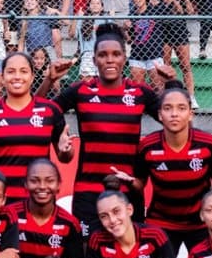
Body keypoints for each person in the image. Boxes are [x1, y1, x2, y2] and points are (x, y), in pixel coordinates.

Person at [39, 23, 163, 233]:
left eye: (116, 54)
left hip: (127, 190)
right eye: (103, 55)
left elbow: (176, 119)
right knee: (88, 257)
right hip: (88, 192)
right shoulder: (81, 90)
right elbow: (35, 113)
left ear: (124, 57)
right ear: (95, 59)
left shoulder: (140, 92)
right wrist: (49, 80)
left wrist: (172, 84)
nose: (110, 60)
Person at [132, 81, 212, 256]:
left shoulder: (208, 144)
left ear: (190, 114)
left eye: (181, 108)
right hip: (161, 222)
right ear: (159, 114)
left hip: (200, 223)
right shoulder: (147, 146)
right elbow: (140, 183)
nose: (174, 114)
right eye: (168, 108)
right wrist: (129, 182)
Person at [0, 52, 74, 205]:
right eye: (11, 71)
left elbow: (64, 157)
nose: (17, 76)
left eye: (24, 71)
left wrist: (66, 151)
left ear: (33, 76)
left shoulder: (50, 110)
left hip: (37, 203)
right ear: (2, 76)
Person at [154, 0, 195, 109]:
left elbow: (189, 12)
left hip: (180, 33)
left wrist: (186, 0)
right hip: (164, 34)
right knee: (166, 66)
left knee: (185, 66)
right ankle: (168, 96)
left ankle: (191, 97)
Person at [126, 0, 165, 89]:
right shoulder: (132, 15)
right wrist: (125, 28)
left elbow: (173, 11)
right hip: (137, 55)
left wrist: (159, 3)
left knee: (157, 88)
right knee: (137, 88)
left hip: (154, 54)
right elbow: (130, 40)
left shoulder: (155, 10)